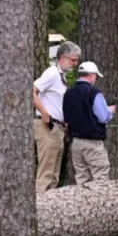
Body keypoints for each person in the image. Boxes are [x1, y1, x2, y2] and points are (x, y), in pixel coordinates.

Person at [33, 41, 80, 192]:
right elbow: (31, 90)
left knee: (54, 174)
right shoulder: (52, 73)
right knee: (46, 171)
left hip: (58, 127)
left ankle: (49, 207)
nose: (75, 63)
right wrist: (44, 111)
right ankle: (38, 204)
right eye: (73, 59)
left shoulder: (61, 76)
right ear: (62, 57)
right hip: (47, 126)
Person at [63, 61, 116, 184]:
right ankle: (101, 204)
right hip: (93, 142)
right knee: (100, 179)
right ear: (91, 75)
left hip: (76, 142)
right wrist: (110, 111)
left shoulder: (68, 93)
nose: (95, 78)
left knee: (82, 179)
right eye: (95, 75)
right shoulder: (93, 92)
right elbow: (103, 117)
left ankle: (82, 203)